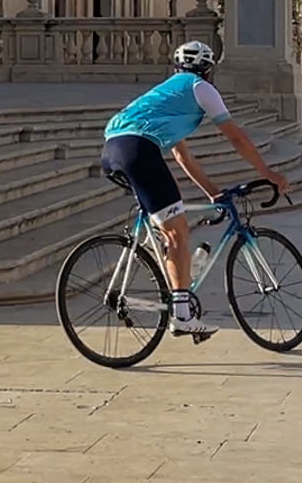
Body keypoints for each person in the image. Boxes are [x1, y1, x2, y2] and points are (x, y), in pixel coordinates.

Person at [101, 41, 290, 338]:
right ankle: (183, 315)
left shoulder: (169, 93)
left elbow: (182, 156)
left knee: (171, 218)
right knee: (178, 231)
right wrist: (268, 173)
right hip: (138, 149)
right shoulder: (202, 89)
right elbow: (237, 138)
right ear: (208, 69)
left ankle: (173, 271)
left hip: (114, 149)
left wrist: (212, 192)